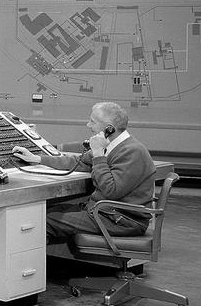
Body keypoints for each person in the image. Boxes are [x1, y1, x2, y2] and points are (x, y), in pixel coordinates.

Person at [11, 101, 156, 244]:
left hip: (121, 220)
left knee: (43, 222)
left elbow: (111, 190)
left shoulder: (132, 151)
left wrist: (99, 154)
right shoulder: (111, 146)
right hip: (104, 212)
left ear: (109, 129)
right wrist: (37, 159)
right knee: (42, 212)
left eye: (92, 122)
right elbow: (78, 162)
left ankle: (33, 265)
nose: (88, 125)